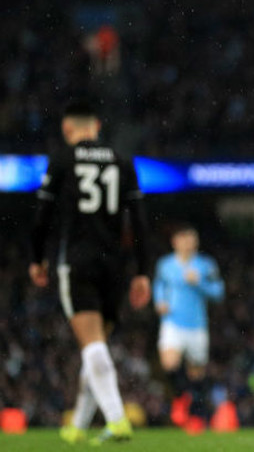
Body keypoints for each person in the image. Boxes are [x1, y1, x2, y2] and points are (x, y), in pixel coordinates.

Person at [25, 100, 153, 445]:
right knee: (95, 346)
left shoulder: (63, 159)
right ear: (96, 126)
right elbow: (139, 221)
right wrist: (143, 271)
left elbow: (42, 216)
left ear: (69, 131)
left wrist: (37, 258)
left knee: (92, 344)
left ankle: (116, 419)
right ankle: (78, 426)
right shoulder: (121, 160)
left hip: (77, 261)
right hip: (114, 264)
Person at [153, 223, 224, 434]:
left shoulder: (205, 265)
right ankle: (180, 398)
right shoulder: (165, 265)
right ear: (175, 241)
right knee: (169, 364)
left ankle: (195, 416)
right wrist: (159, 301)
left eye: (191, 238)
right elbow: (159, 286)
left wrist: (199, 282)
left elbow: (218, 292)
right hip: (172, 323)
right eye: (183, 238)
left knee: (197, 375)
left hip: (197, 326)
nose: (187, 242)